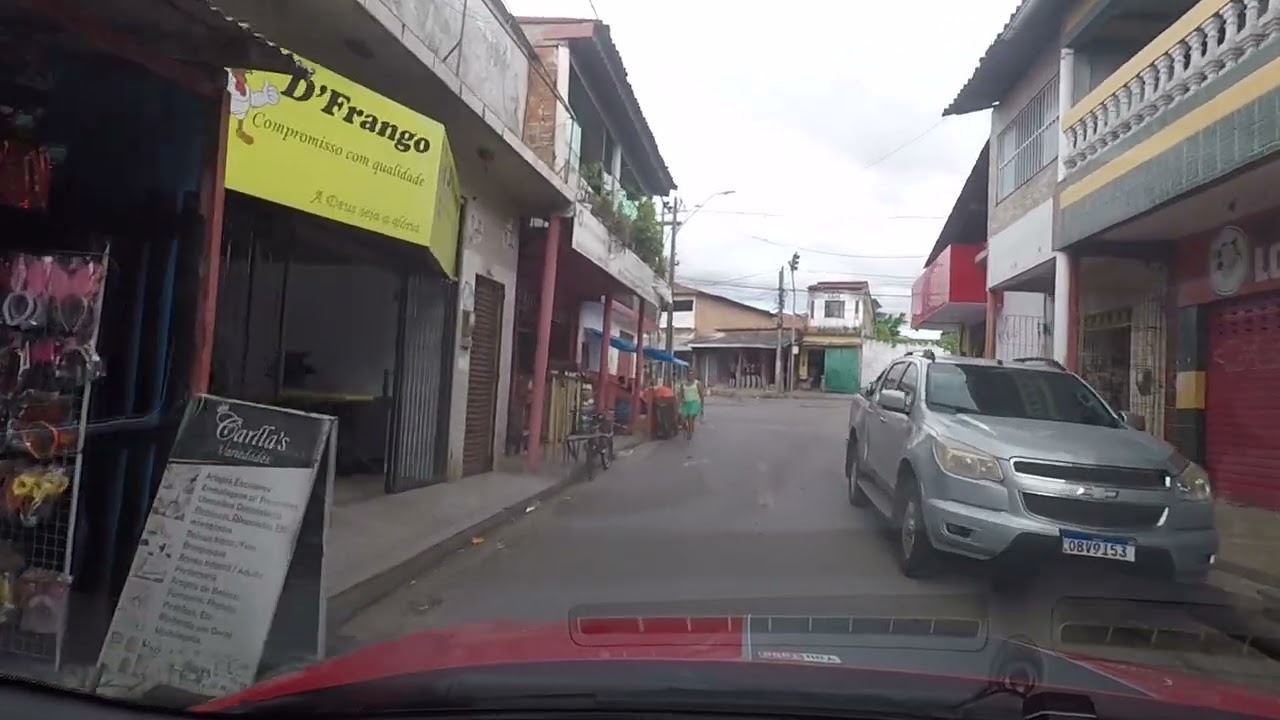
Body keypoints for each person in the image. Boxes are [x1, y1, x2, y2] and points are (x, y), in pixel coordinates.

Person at [678, 370, 704, 439]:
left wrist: (701, 406)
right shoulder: (683, 384)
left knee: (690, 416)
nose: (690, 376)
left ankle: (690, 433)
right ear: (687, 375)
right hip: (686, 403)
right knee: (683, 419)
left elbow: (701, 395)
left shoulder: (697, 383)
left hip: (695, 403)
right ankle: (688, 428)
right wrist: (679, 404)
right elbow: (680, 395)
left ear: (694, 376)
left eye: (692, 375)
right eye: (689, 375)